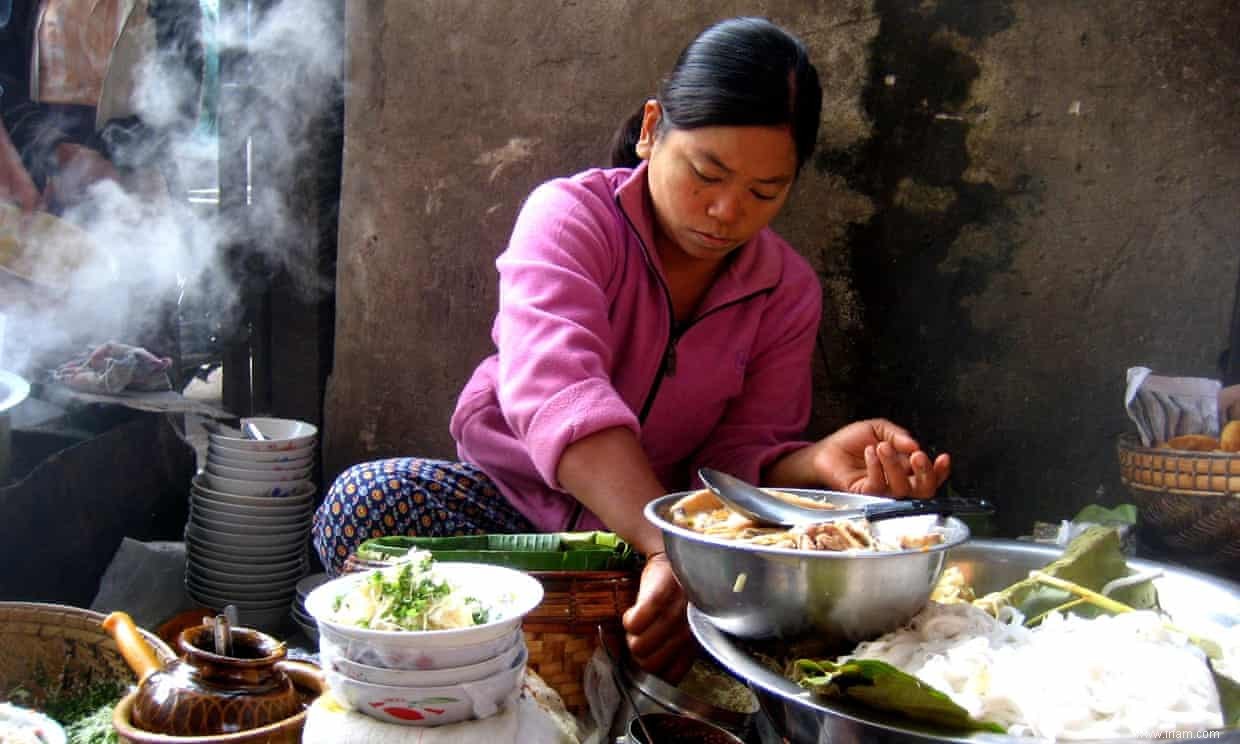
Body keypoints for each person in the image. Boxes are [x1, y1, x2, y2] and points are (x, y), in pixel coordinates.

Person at [312, 16, 951, 681]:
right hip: (525, 515)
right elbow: (555, 394)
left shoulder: (785, 291)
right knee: (364, 502)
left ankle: (574, 644)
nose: (727, 211)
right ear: (652, 130)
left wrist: (814, 461)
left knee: (812, 603)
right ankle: (581, 639)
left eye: (766, 192)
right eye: (706, 174)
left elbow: (734, 464)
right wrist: (660, 547)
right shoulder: (569, 218)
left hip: (675, 551)